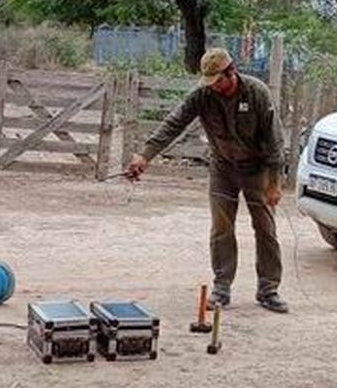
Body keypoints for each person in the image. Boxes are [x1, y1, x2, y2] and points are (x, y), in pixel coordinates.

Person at [124, 48, 289, 313]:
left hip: (257, 170)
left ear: (231, 72)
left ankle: (268, 290)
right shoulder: (203, 95)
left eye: (218, 81)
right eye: (209, 82)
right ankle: (222, 288)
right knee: (222, 228)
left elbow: (274, 141)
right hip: (223, 168)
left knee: (265, 228)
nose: (214, 87)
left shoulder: (256, 92)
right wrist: (145, 155)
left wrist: (274, 183)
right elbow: (173, 123)